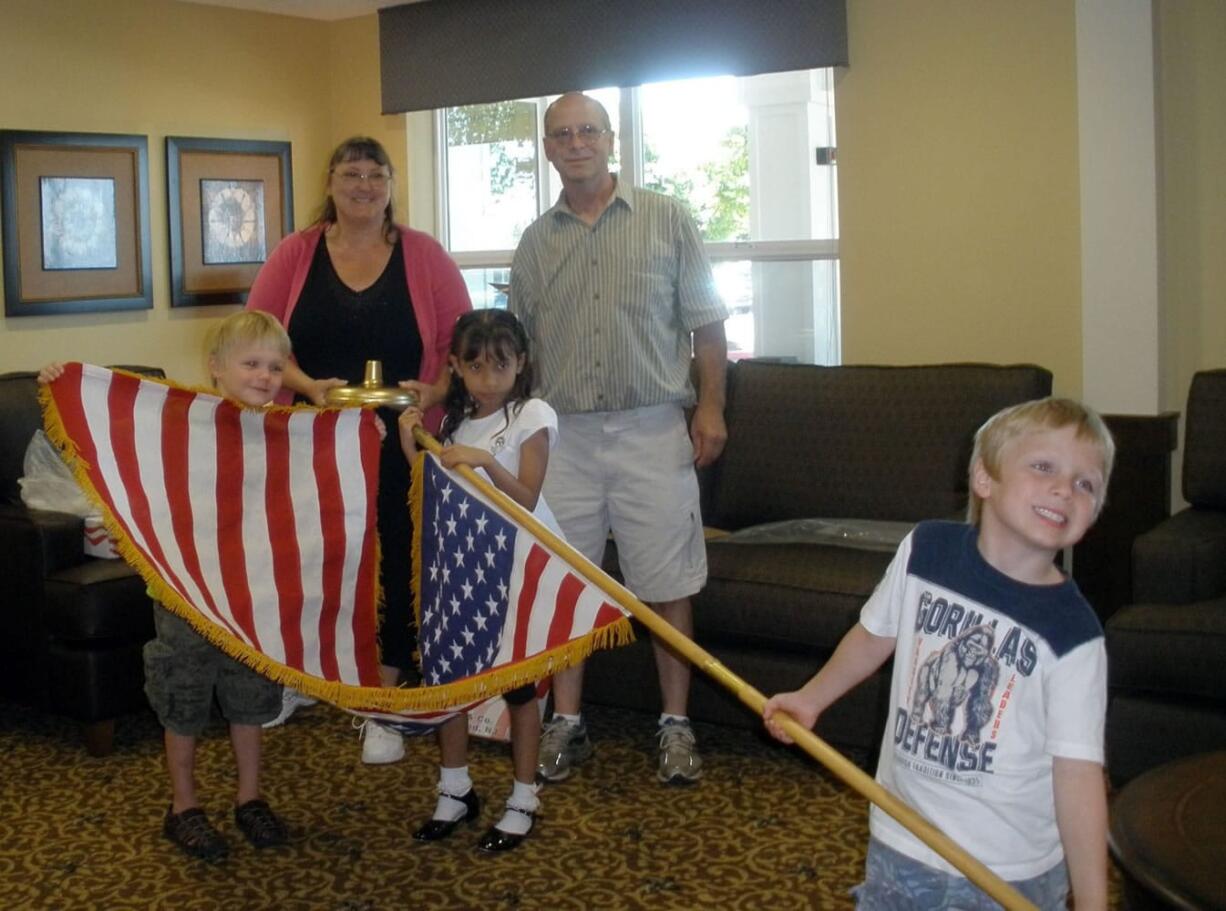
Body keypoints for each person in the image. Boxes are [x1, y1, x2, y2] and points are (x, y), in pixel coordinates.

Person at [763, 398, 1116, 910]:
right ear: (984, 478)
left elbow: (1079, 774)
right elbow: (874, 635)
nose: (1065, 488)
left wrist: (1092, 900)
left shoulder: (1074, 634)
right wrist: (811, 698)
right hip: (903, 836)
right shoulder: (926, 551)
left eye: (1087, 484)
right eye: (1044, 467)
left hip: (1008, 869)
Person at [509, 92, 729, 787]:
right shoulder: (534, 241)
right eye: (562, 134)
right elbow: (517, 347)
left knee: (667, 583)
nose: (577, 143)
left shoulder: (667, 218)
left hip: (651, 427)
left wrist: (712, 408)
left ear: (612, 140)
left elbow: (707, 325)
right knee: (567, 581)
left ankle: (674, 724)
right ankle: (567, 723)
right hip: (563, 434)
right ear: (547, 148)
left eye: (589, 131)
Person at [39, 310, 298, 862]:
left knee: (251, 700)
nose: (264, 376)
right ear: (215, 369)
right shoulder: (181, 424)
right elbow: (110, 433)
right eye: (250, 363)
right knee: (182, 699)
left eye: (275, 366)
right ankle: (183, 806)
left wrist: (359, 435)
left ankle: (249, 797)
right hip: (184, 595)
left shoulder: (283, 433)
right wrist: (62, 384)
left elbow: (319, 476)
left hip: (249, 597)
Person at [247, 136, 472, 763]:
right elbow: (260, 337)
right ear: (331, 182)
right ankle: (308, 678)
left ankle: (386, 701)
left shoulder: (424, 254)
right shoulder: (296, 253)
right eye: (351, 173)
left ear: (392, 184)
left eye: (376, 175)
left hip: (402, 439)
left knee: (398, 561)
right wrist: (304, 387)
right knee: (314, 559)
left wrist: (435, 388)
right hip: (314, 443)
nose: (364, 185)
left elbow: (463, 343)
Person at [398, 308, 554, 852]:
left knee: (518, 685)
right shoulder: (453, 421)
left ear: (521, 364)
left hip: (511, 566)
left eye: (500, 366)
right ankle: (455, 788)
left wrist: (485, 461)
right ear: (456, 367)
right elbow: (429, 481)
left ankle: (523, 796)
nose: (488, 379)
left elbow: (529, 497)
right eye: (475, 366)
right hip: (459, 568)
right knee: (450, 678)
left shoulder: (531, 415)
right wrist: (409, 438)